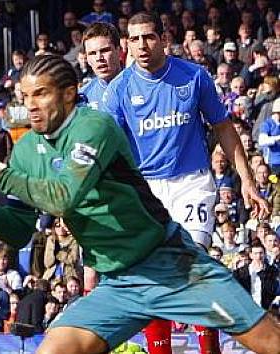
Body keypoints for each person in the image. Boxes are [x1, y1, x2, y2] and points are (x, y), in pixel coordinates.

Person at [0, 54, 280, 354]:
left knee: (269, 341)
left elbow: (64, 197)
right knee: (52, 350)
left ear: (69, 94)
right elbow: (17, 232)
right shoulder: (26, 152)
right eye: (25, 95)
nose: (31, 104)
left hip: (171, 265)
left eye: (41, 94)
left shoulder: (93, 126)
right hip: (119, 284)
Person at [102, 13, 271, 353]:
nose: (142, 45)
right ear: (126, 45)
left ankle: (210, 347)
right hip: (147, 189)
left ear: (164, 38)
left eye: (148, 37)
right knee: (154, 276)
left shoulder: (194, 77)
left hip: (192, 183)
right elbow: (106, 146)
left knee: (189, 265)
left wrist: (247, 181)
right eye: (134, 40)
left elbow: (223, 127)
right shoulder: (119, 89)